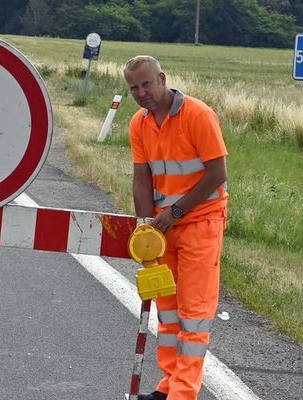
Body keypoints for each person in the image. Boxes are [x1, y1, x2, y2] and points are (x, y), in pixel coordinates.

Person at [123, 55, 228, 400]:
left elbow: (217, 174)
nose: (141, 93)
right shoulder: (139, 123)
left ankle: (183, 393)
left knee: (194, 315)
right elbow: (142, 178)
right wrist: (145, 229)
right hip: (162, 228)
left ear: (162, 78)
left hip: (200, 221)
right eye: (134, 87)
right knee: (167, 313)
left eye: (146, 84)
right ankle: (168, 384)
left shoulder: (198, 114)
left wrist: (177, 212)